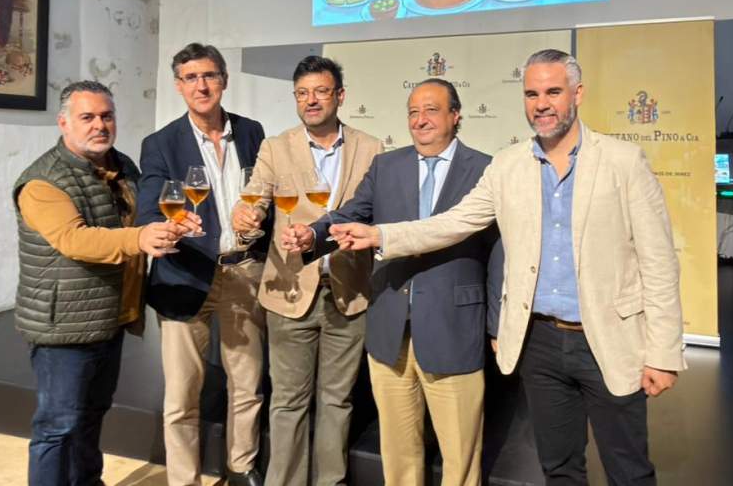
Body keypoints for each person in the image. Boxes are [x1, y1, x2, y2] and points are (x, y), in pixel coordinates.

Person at [327, 50, 686, 486]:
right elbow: (453, 223)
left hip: (610, 339)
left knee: (628, 470)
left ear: (577, 94)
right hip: (540, 342)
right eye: (532, 94)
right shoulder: (508, 166)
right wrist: (381, 235)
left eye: (553, 92)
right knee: (559, 469)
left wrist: (663, 353)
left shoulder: (623, 162)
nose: (542, 104)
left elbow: (659, 263)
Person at [283, 78, 501, 486]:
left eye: (431, 110)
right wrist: (314, 235)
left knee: (460, 459)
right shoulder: (387, 166)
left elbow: (498, 255)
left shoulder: (487, 169)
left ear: (456, 116)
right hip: (389, 330)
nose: (420, 120)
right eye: (413, 112)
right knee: (398, 457)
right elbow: (350, 214)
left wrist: (497, 326)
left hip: (454, 328)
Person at [13, 80, 200, 486]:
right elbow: (74, 240)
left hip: (109, 315)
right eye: (88, 117)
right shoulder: (43, 182)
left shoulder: (122, 166)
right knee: (58, 426)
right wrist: (141, 238)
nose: (100, 125)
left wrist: (172, 223)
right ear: (64, 122)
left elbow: (143, 216)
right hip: (65, 325)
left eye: (106, 116)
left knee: (92, 413)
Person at [230, 56, 382, 486]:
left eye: (320, 91)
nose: (310, 100)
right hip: (289, 291)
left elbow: (377, 214)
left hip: (350, 292)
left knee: (337, 401)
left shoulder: (372, 148)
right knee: (287, 402)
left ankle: (330, 482)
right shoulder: (276, 148)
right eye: (302, 93)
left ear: (340, 96)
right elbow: (254, 200)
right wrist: (245, 218)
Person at [135, 43, 268, 486]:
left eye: (209, 75)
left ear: (224, 80)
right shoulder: (160, 143)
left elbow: (263, 191)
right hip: (184, 274)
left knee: (247, 383)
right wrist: (167, 225)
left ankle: (241, 467)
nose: (201, 85)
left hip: (243, 271)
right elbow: (148, 209)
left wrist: (260, 216)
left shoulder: (251, 132)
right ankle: (184, 480)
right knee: (181, 396)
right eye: (191, 78)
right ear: (178, 86)